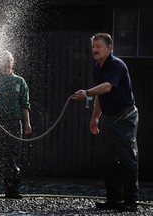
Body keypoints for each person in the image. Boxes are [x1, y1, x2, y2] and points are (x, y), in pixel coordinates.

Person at [71, 33, 139, 212]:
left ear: (109, 48)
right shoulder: (97, 68)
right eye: (93, 46)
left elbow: (107, 86)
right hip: (109, 117)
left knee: (126, 159)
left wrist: (86, 92)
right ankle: (113, 199)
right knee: (109, 160)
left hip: (125, 117)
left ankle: (132, 201)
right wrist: (95, 117)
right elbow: (101, 94)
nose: (94, 49)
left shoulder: (116, 64)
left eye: (99, 46)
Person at [0, 50, 32, 199]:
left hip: (13, 124)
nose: (5, 65)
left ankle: (12, 191)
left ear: (11, 64)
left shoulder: (19, 81)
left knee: (12, 157)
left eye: (7, 62)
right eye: (2, 62)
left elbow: (25, 104)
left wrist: (27, 123)